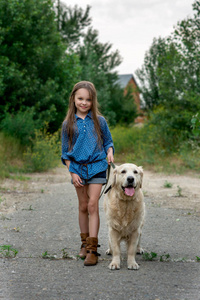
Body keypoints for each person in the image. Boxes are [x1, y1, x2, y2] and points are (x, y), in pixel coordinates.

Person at [61, 81, 114, 266]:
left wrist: (109, 152)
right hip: (78, 169)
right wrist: (72, 172)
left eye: (88, 99)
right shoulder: (68, 124)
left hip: (97, 166)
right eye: (80, 98)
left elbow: (108, 141)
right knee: (83, 206)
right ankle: (83, 244)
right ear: (74, 99)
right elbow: (65, 153)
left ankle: (92, 249)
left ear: (93, 101)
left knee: (93, 205)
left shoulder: (100, 121)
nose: (84, 103)